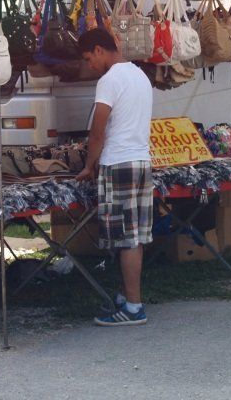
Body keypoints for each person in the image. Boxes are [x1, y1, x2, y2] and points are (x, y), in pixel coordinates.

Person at [75, 28, 153, 326]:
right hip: (141, 160)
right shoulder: (139, 75)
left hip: (118, 163)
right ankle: (128, 297)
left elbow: (98, 131)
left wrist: (88, 165)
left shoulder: (109, 80)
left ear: (99, 49)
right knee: (134, 236)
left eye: (88, 58)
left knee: (126, 239)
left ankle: (133, 307)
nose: (90, 65)